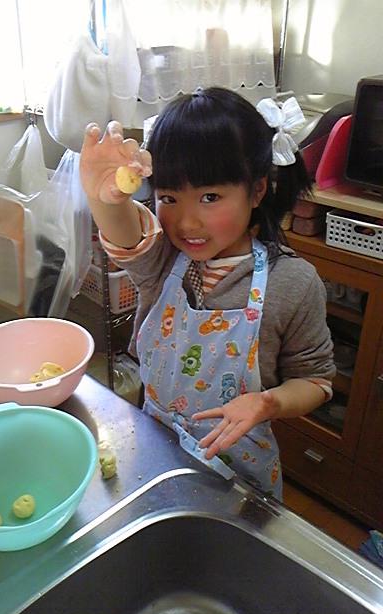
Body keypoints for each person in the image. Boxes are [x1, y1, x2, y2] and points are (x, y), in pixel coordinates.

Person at [79, 87, 335, 500]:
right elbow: (124, 230)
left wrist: (268, 403)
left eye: (210, 197)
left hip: (240, 480)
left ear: (256, 190)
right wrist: (102, 197)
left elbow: (315, 380)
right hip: (156, 454)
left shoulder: (293, 283)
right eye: (169, 197)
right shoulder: (162, 260)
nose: (187, 222)